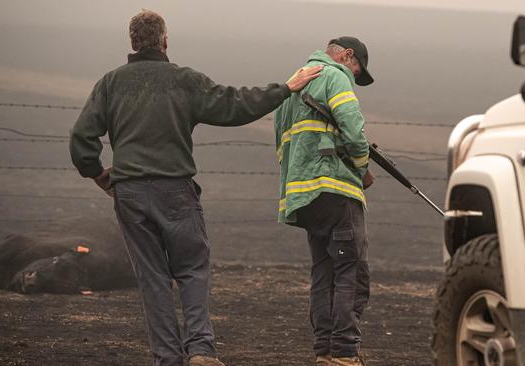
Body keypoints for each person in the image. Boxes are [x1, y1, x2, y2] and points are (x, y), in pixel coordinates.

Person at [69, 9, 321, 366]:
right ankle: (201, 350)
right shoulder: (184, 81)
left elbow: (81, 138)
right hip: (175, 190)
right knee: (192, 268)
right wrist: (284, 89)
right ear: (165, 41)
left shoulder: (110, 84)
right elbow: (235, 105)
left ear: (132, 42)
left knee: (153, 277)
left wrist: (96, 172)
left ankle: (168, 358)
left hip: (130, 194)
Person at [274, 37, 375, 366]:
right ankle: (344, 353)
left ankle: (325, 351)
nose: (355, 76)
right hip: (335, 188)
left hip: (304, 194)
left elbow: (282, 144)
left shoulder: (294, 85)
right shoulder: (335, 76)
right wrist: (362, 168)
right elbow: (353, 130)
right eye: (357, 69)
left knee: (323, 271)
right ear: (347, 56)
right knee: (351, 271)